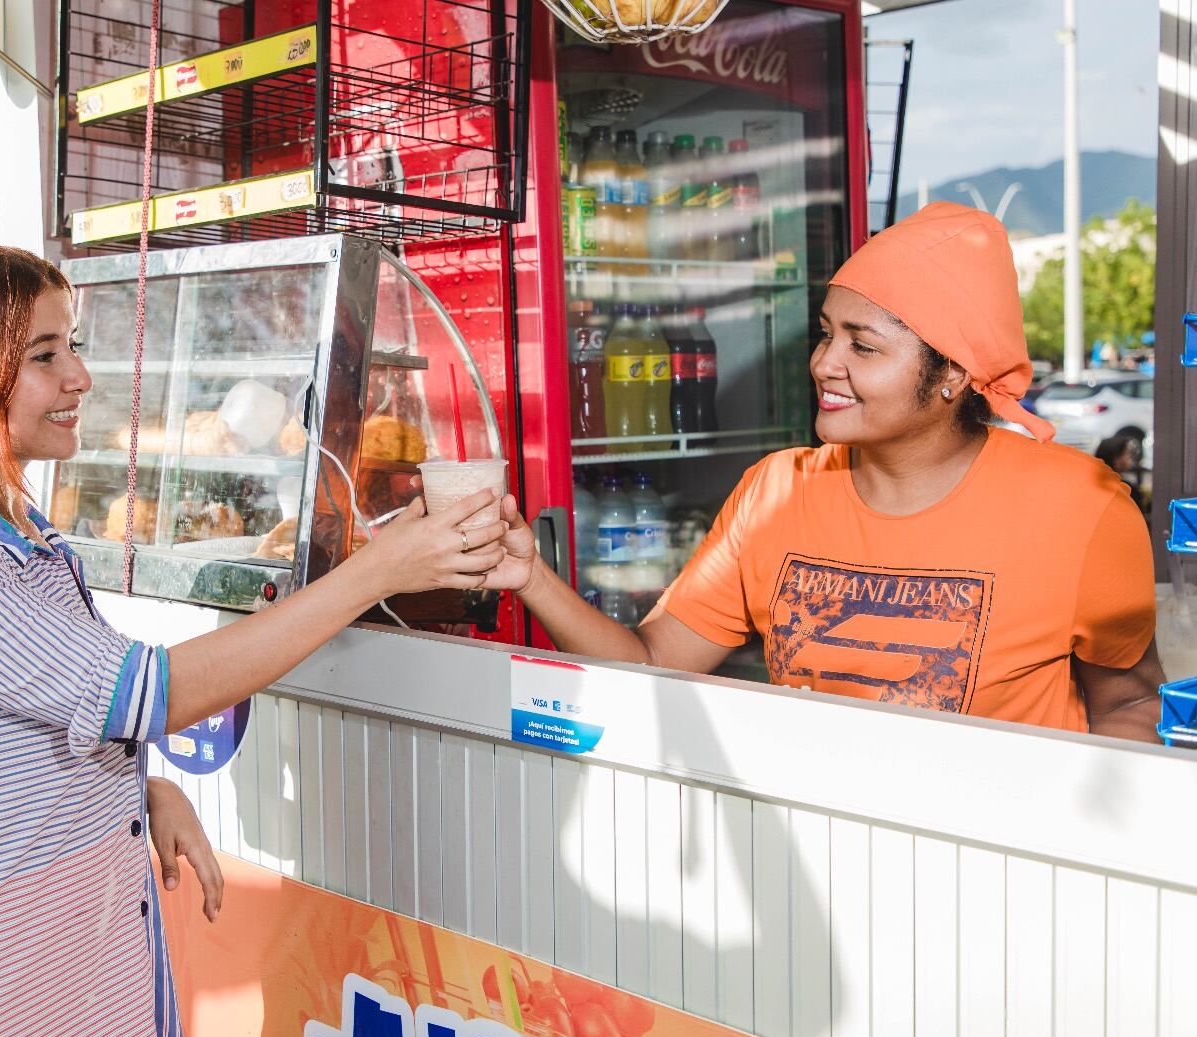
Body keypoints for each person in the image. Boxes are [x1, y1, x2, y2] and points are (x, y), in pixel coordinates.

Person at [0, 243, 508, 1037]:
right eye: (46, 355)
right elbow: (149, 693)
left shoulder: (19, 538)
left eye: (71, 345)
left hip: (55, 966)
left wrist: (135, 790)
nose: (79, 377)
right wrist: (377, 572)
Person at [486, 203, 1163, 740]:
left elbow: (1130, 698)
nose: (823, 363)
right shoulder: (775, 492)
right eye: (826, 331)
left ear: (954, 372)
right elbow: (650, 666)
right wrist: (531, 577)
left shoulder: (1078, 506)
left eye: (863, 346)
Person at [1095, 432, 1151, 517]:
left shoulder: (1095, 481)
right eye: (1128, 454)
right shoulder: (1124, 488)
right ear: (1115, 458)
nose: (1131, 459)